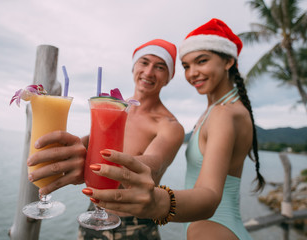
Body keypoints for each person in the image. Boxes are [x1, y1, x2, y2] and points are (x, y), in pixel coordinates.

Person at [81, 18, 265, 240]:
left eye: (202, 61)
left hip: (214, 229)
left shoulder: (222, 113)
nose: (193, 73)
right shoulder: (217, 111)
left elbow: (208, 196)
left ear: (228, 62)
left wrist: (156, 202)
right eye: (187, 66)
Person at [27, 39, 185, 239]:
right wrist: (67, 152)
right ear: (134, 66)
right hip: (93, 216)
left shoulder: (170, 126)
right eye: (144, 62)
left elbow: (154, 166)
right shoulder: (109, 109)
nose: (149, 71)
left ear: (168, 77)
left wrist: (96, 164)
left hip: (136, 225)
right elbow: (87, 144)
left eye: (160, 67)